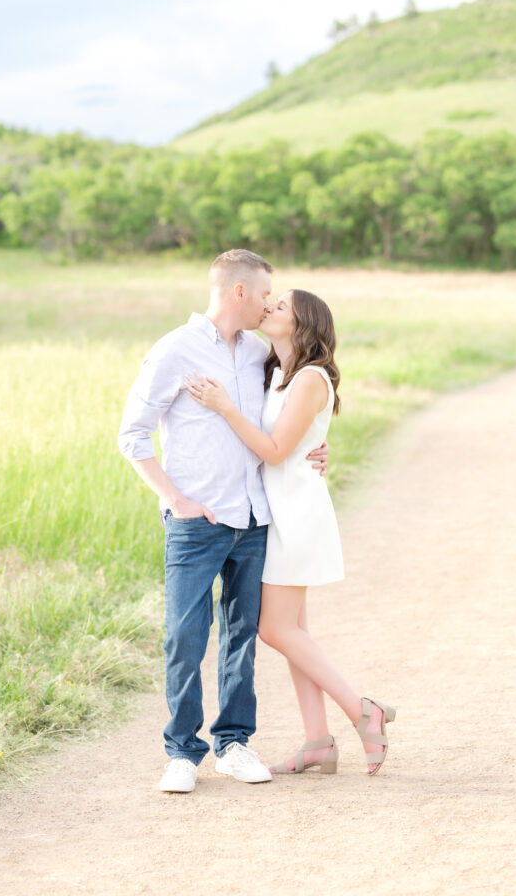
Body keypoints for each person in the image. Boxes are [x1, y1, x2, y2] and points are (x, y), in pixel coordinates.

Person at [117, 251, 329, 794]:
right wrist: (174, 499)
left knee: (242, 638)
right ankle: (182, 753)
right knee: (186, 636)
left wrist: (317, 449)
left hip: (255, 517)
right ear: (239, 292)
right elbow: (132, 436)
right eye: (265, 295)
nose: (268, 305)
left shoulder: (260, 354)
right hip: (196, 521)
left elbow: (284, 421)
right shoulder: (174, 350)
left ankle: (233, 744)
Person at [185, 288, 396, 776]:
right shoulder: (277, 372)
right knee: (295, 631)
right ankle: (318, 741)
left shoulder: (310, 378)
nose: (270, 308)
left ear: (301, 325)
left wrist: (223, 406)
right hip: (275, 510)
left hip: (295, 513)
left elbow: (277, 450)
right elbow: (297, 440)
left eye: (281, 307)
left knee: (274, 628)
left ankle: (364, 711)